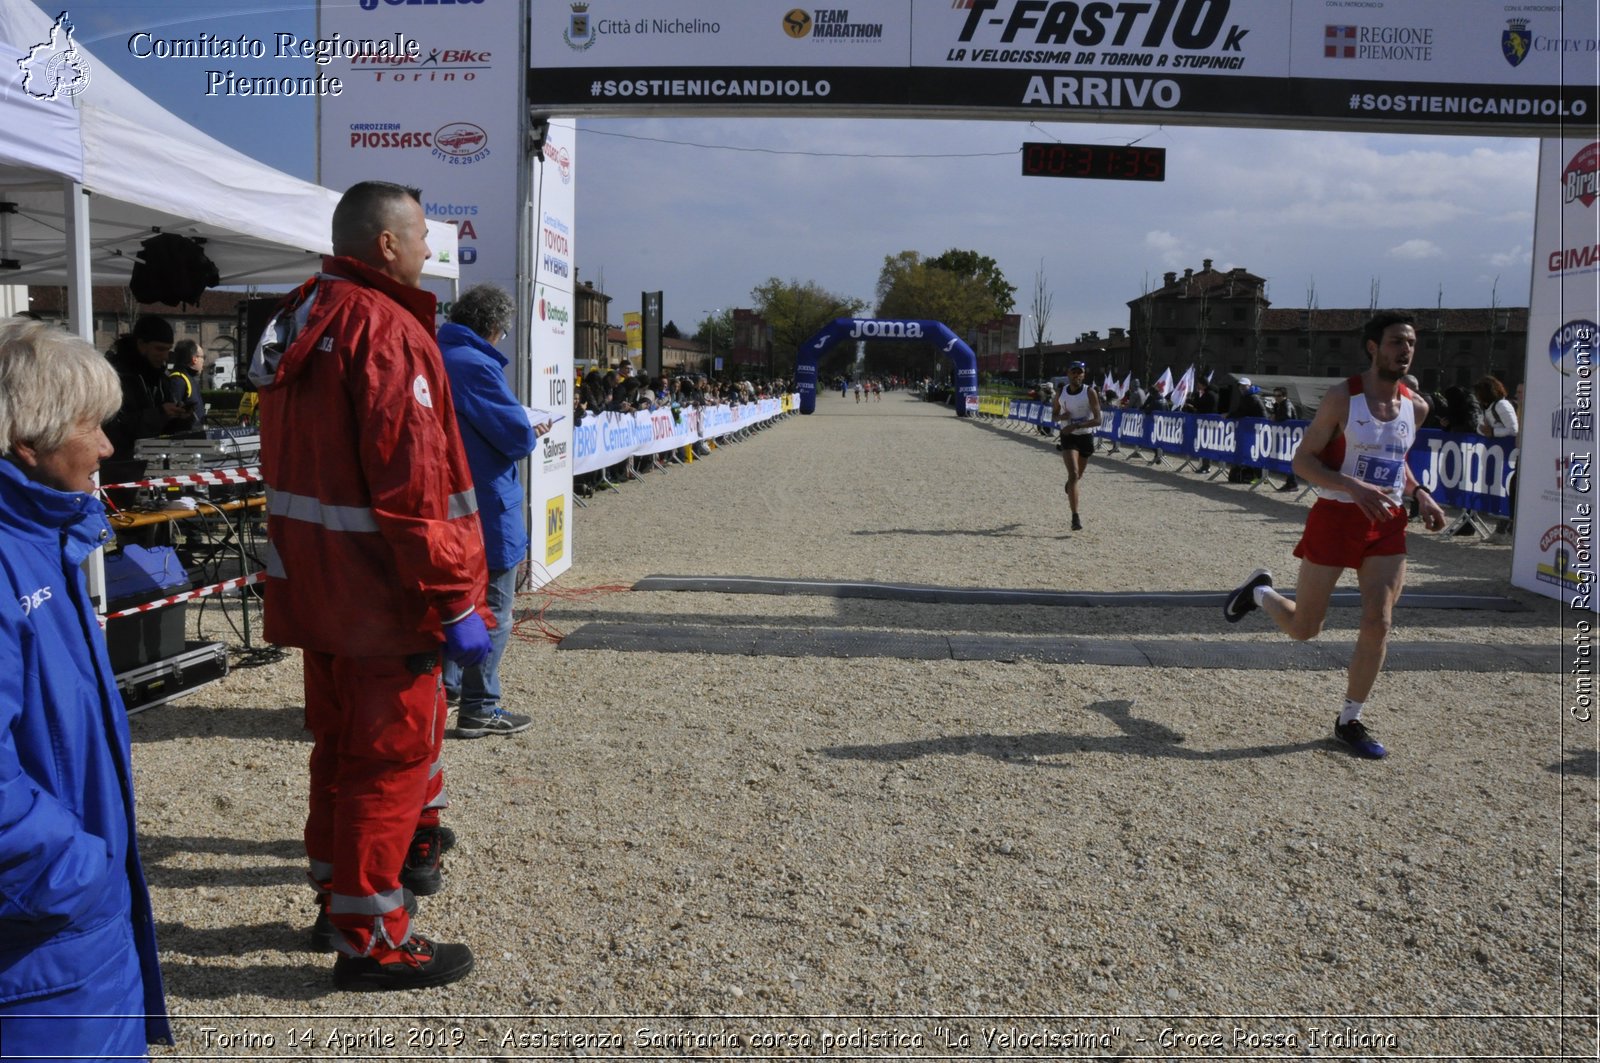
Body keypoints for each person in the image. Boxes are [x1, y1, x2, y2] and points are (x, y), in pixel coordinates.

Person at [250, 180, 488, 991]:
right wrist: (456, 597)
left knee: (340, 751)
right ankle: (373, 936)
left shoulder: (304, 313)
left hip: (318, 594)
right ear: (386, 244)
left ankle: (335, 898)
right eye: (422, 235)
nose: (431, 250)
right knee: (389, 762)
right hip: (386, 601)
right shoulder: (385, 329)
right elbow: (417, 485)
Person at [0, 318, 172, 1055]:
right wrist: (77, 869)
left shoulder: (46, 538)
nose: (107, 447)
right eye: (91, 427)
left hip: (71, 935)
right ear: (27, 444)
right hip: (42, 943)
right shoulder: (13, 557)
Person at [1224, 311, 1447, 759]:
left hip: (1384, 522)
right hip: (1336, 515)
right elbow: (1302, 462)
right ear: (1372, 347)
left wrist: (1420, 491)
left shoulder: (1416, 407)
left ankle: (1350, 719)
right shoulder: (1343, 398)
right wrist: (1349, 484)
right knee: (1305, 628)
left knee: (1379, 620)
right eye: (1396, 342)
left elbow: (1396, 460)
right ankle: (1262, 592)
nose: (1405, 350)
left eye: (1411, 344)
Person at [437, 284, 547, 738]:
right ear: (495, 327)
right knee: (494, 610)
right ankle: (481, 707)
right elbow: (514, 438)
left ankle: (447, 689)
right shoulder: (475, 365)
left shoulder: (435, 353)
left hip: (446, 505)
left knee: (450, 603)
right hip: (485, 506)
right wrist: (530, 427)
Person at [105, 313, 180, 460]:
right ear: (141, 345)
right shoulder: (114, 376)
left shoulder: (160, 378)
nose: (165, 356)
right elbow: (114, 427)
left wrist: (179, 418)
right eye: (159, 349)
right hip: (121, 464)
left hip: (153, 460)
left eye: (168, 350)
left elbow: (163, 429)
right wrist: (159, 414)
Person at [1052, 360, 1100, 531]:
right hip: (1068, 436)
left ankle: (1070, 485)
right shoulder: (1060, 393)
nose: (1077, 375)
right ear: (1068, 374)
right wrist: (1062, 418)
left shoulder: (1090, 392)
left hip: (1085, 436)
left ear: (1084, 375)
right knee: (1073, 474)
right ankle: (1075, 517)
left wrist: (1078, 425)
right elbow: (1054, 416)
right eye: (1074, 372)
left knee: (1077, 476)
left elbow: (1098, 419)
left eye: (1080, 372)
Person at [164, 338, 207, 432]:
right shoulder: (178, 380)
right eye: (203, 357)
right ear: (194, 359)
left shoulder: (187, 378)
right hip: (186, 441)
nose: (204, 361)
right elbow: (172, 417)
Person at [1271, 386, 1300, 491]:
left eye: (1278, 395)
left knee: (1288, 460)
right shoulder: (1279, 405)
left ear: (1284, 396)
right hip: (1285, 435)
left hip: (1290, 436)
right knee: (1286, 460)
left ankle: (1292, 483)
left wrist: (1275, 418)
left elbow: (1286, 417)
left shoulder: (1286, 404)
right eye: (1274, 395)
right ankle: (1291, 483)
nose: (1276, 397)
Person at [1474, 375, 1518, 439]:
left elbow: (1514, 430)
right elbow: (1480, 427)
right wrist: (1481, 429)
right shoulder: (1484, 407)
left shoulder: (1502, 405)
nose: (1477, 397)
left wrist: (1492, 432)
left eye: (1479, 393)